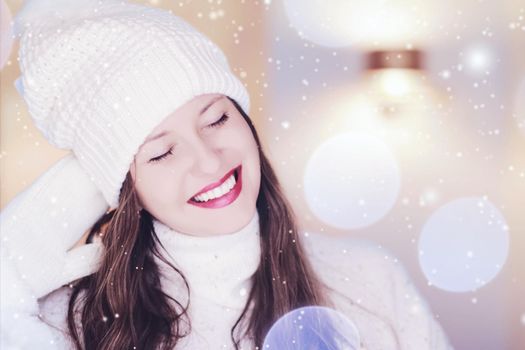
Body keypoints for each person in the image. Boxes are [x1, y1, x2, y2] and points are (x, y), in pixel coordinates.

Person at [0, 1, 452, 349]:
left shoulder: (369, 282)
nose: (210, 162)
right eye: (162, 153)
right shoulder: (75, 324)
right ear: (122, 188)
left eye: (216, 119)